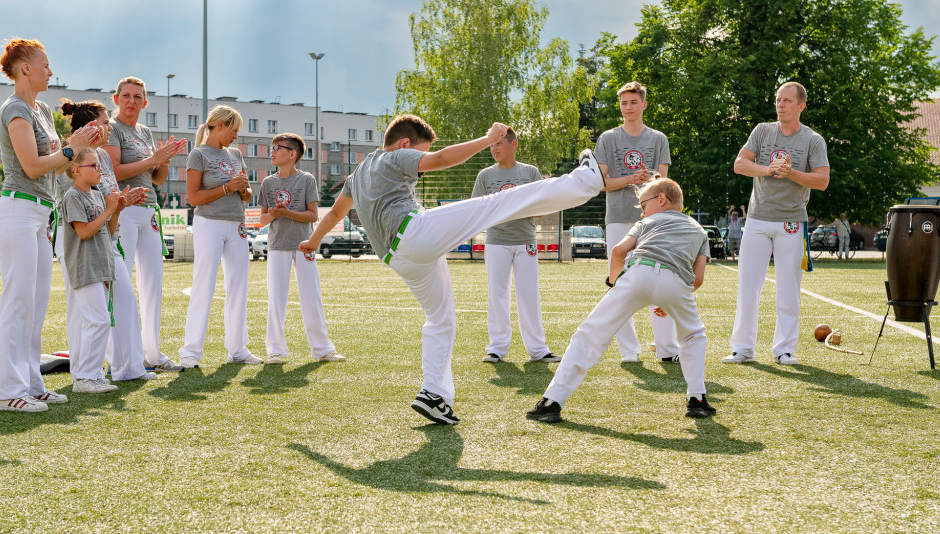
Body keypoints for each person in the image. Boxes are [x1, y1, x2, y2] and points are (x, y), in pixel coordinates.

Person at [299, 114, 606, 426]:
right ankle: (584, 181)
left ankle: (434, 394)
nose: (419, 158)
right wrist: (489, 139)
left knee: (440, 320)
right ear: (405, 144)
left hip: (398, 258)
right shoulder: (394, 157)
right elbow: (442, 159)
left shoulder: (357, 174)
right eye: (420, 150)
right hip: (414, 234)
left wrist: (313, 240)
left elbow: (337, 211)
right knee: (496, 204)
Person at [526, 178, 713, 422]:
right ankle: (696, 399)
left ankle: (551, 402)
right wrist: (671, 301)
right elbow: (696, 279)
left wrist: (613, 284)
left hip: (638, 273)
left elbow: (618, 252)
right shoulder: (698, 229)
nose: (642, 212)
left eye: (643, 206)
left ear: (661, 200)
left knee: (590, 335)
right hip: (677, 281)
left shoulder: (647, 222)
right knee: (693, 335)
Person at [0, 38, 101, 412]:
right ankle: (7, 390)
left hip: (40, 213)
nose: (51, 71)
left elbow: (57, 164)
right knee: (18, 303)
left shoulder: (37, 109)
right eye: (45, 64)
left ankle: (32, 384)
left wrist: (80, 149)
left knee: (36, 305)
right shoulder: (15, 109)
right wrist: (72, 147)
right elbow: (33, 166)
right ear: (26, 68)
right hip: (17, 211)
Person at [724, 81, 830, 366]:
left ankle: (784, 350)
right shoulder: (762, 130)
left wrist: (792, 173)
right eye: (778, 100)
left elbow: (822, 180)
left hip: (792, 223)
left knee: (787, 288)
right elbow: (739, 164)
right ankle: (743, 348)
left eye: (786, 101)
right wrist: (767, 169)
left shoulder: (812, 139)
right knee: (748, 286)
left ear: (801, 105)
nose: (780, 105)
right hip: (757, 220)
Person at [59, 98, 153, 382]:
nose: (110, 129)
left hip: (107, 236)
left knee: (123, 298)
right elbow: (79, 201)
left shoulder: (101, 157)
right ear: (90, 126)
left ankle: (128, 368)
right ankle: (83, 373)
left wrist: (121, 202)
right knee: (82, 311)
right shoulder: (72, 156)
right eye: (104, 123)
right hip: (81, 243)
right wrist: (114, 206)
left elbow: (103, 198)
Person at [594, 81, 679, 363]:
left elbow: (664, 182)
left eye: (633, 102)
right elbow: (602, 182)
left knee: (660, 280)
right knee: (620, 283)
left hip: (653, 220)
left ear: (644, 104)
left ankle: (667, 349)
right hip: (617, 217)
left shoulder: (658, 139)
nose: (628, 108)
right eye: (623, 103)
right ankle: (629, 351)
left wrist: (649, 181)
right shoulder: (607, 138)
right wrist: (631, 178)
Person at [104, 76, 186, 373]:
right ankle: (121, 357)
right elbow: (114, 170)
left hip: (149, 210)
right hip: (123, 210)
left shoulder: (145, 131)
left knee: (152, 285)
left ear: (145, 102)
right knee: (122, 285)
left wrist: (164, 159)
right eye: (125, 95)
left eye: (137, 97)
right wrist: (153, 157)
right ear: (116, 99)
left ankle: (152, 353)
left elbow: (157, 179)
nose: (131, 101)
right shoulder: (112, 129)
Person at [470, 127, 559, 364]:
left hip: (525, 242)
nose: (494, 149)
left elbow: (541, 209)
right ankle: (497, 349)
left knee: (528, 295)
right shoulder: (485, 176)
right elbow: (476, 209)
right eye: (492, 145)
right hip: (496, 242)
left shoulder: (530, 172)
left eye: (499, 144)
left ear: (513, 145)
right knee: (497, 295)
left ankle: (538, 350)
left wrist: (521, 207)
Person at [179, 105, 259, 367]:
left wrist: (243, 189)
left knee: (238, 286)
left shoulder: (235, 154)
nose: (236, 136)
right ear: (221, 125)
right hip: (208, 223)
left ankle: (237, 349)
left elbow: (246, 195)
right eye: (234, 130)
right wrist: (227, 187)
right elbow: (194, 198)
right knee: (204, 284)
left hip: (236, 224)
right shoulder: (198, 154)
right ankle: (191, 351)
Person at [260, 133, 345, 364]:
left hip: (304, 246)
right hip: (277, 246)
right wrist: (274, 214)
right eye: (272, 147)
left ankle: (323, 349)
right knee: (276, 298)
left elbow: (313, 215)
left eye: (277, 147)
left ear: (292, 153)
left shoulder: (307, 179)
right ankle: (275, 350)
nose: (272, 151)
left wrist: (287, 212)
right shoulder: (268, 182)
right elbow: (262, 219)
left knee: (311, 297)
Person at [59, 148, 121, 393]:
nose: (100, 170)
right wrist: (108, 210)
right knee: (98, 320)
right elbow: (84, 232)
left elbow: (109, 231)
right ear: (76, 170)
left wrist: (116, 210)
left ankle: (92, 374)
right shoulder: (73, 196)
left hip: (101, 264)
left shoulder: (96, 195)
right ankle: (84, 377)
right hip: (85, 266)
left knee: (97, 322)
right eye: (94, 166)